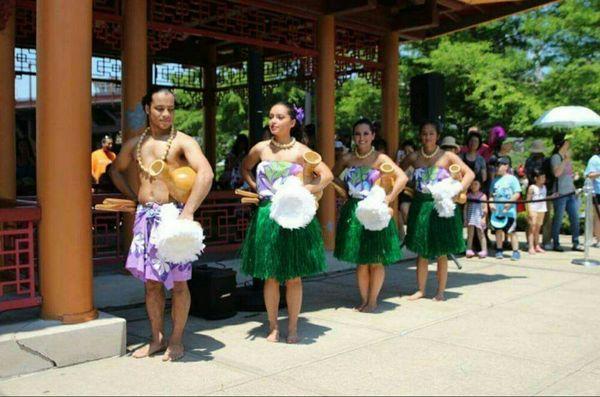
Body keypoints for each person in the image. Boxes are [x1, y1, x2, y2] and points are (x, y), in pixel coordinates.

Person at [110, 87, 214, 361]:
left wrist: (189, 211)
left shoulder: (183, 142)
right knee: (152, 284)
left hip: (174, 217)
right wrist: (134, 197)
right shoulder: (135, 144)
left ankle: (176, 340)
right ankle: (156, 338)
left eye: (171, 108)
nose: (166, 114)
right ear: (147, 109)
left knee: (179, 284)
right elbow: (115, 170)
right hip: (146, 218)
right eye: (159, 108)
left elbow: (206, 173)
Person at [240, 102, 333, 343]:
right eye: (271, 116)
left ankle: (292, 327)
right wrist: (256, 188)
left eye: (280, 117)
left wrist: (306, 191)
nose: (273, 121)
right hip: (267, 215)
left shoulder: (302, 151)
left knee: (293, 276)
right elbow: (245, 168)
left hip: (294, 217)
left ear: (292, 122)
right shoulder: (261, 149)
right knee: (270, 275)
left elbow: (327, 175)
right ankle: (273, 326)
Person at [333, 118, 408, 312]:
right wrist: (345, 192)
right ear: (353, 137)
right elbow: (331, 176)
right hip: (355, 210)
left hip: (375, 209)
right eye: (358, 134)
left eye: (366, 133)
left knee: (375, 259)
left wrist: (389, 197)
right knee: (361, 259)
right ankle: (364, 299)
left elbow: (402, 177)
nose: (362, 137)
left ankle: (373, 300)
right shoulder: (347, 158)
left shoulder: (380, 159)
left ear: (373, 136)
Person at [400, 121, 474, 301]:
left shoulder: (447, 156)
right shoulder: (414, 157)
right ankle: (421, 290)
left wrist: (457, 190)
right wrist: (402, 188)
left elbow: (470, 174)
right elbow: (397, 175)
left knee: (442, 251)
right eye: (424, 133)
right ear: (420, 135)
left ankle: (440, 291)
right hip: (421, 204)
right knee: (422, 250)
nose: (427, 137)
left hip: (442, 206)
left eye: (431, 133)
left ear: (437, 136)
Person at [550, 133, 582, 252]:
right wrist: (566, 160)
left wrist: (574, 183)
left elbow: (568, 175)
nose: (569, 143)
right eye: (567, 141)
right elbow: (557, 173)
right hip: (560, 193)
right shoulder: (556, 157)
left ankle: (576, 242)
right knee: (558, 219)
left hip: (570, 193)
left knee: (575, 218)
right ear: (561, 144)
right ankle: (556, 243)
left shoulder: (566, 157)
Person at [489, 157, 521, 260]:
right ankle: (499, 249)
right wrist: (491, 204)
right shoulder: (494, 181)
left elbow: (517, 193)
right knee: (498, 231)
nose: (497, 168)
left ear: (506, 166)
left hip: (510, 211)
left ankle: (515, 251)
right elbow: (491, 195)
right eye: (496, 166)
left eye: (499, 165)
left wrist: (510, 202)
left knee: (511, 231)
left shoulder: (512, 179)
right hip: (497, 212)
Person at [526, 168, 548, 255]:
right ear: (536, 178)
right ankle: (530, 246)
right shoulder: (532, 187)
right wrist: (529, 211)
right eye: (542, 177)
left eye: (544, 177)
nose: (544, 179)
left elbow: (544, 198)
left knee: (538, 228)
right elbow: (527, 200)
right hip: (533, 209)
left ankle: (537, 245)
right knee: (532, 228)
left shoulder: (544, 187)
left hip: (542, 209)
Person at [464, 179, 488, 258]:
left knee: (481, 234)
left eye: (476, 184)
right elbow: (466, 208)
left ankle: (484, 250)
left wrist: (484, 218)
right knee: (470, 234)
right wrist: (465, 218)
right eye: (472, 184)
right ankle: (469, 249)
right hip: (470, 217)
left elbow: (485, 209)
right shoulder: (468, 195)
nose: (474, 186)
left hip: (479, 217)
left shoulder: (483, 196)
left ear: (480, 185)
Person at [584, 148, 600, 246]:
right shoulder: (594, 159)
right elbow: (589, 175)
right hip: (597, 192)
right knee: (598, 216)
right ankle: (599, 240)